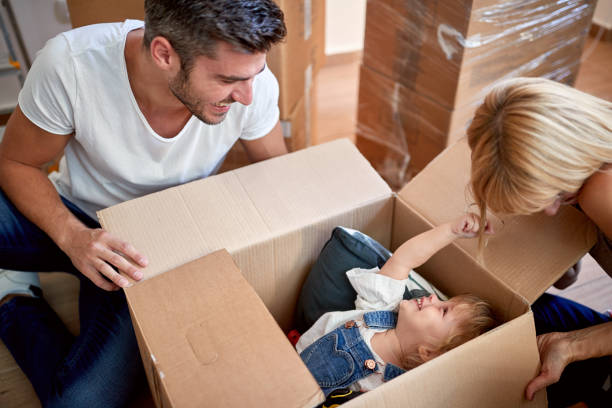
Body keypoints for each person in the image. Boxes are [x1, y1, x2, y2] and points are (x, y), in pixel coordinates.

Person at [0, 1, 287, 406]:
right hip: (71, 213)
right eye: (227, 80)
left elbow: (279, 178)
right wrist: (72, 236)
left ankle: (15, 302)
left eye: (254, 75)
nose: (246, 95)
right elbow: (16, 162)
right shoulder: (72, 65)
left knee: (79, 403)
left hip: (146, 252)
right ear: (164, 54)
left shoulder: (252, 87)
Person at [467, 76, 612, 407]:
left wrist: (573, 345)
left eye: (555, 195)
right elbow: (567, 277)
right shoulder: (588, 152)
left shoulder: (602, 189)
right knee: (502, 321)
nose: (549, 210)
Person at [296, 213, 497, 398]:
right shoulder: (382, 307)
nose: (433, 298)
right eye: (442, 300)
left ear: (429, 352)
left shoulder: (397, 391)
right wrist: (451, 231)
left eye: (443, 310)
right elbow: (403, 261)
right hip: (290, 366)